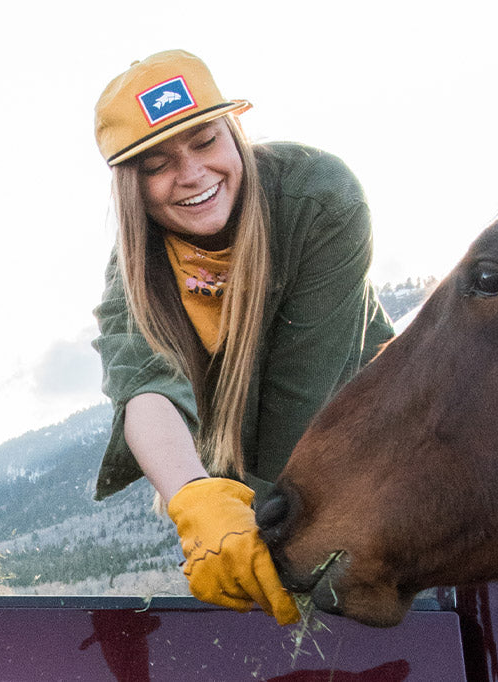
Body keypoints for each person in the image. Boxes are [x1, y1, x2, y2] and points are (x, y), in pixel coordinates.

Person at [91, 50, 394, 625]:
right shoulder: (133, 269)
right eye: (157, 164)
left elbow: (301, 400)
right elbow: (145, 392)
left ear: (234, 133)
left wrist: (268, 530)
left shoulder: (317, 198)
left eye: (205, 142)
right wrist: (193, 499)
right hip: (270, 509)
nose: (192, 174)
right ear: (133, 187)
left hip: (375, 466)